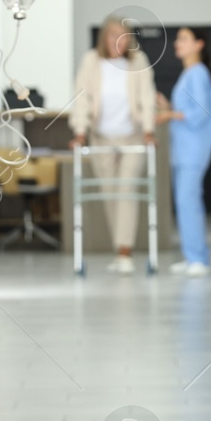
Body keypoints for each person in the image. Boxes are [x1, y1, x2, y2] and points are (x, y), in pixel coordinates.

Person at [69, 16, 157, 273]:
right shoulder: (91, 61)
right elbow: (81, 98)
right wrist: (80, 131)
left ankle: (125, 252)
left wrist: (150, 130)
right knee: (109, 192)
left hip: (133, 136)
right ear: (103, 38)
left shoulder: (138, 61)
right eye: (112, 35)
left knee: (127, 190)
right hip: (101, 136)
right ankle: (119, 250)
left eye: (123, 35)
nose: (117, 40)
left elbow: (147, 96)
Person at [157, 27, 211, 276]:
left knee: (188, 201)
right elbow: (186, 109)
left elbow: (199, 114)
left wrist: (168, 114)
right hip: (183, 150)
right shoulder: (188, 74)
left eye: (183, 39)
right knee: (185, 202)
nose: (176, 44)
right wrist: (168, 106)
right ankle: (194, 255)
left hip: (194, 149)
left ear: (199, 44)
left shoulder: (198, 73)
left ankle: (198, 260)